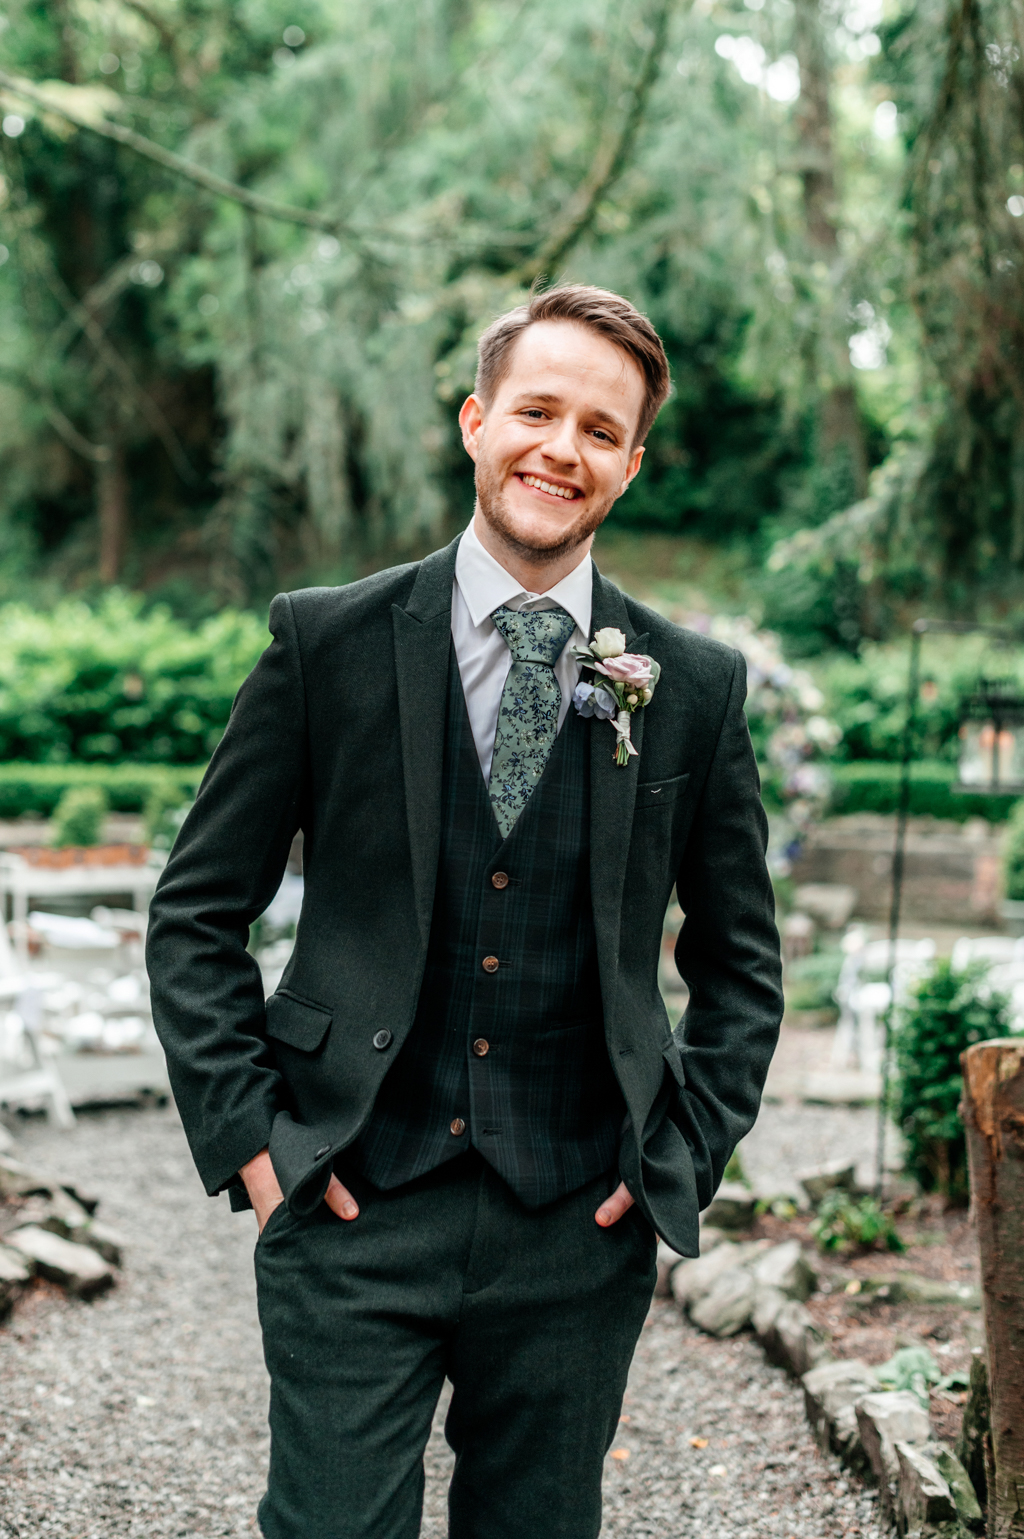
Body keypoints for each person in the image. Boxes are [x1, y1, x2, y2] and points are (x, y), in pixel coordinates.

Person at [146, 283, 783, 1539]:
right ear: (476, 421)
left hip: (575, 1227)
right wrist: (255, 1143)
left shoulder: (692, 687)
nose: (563, 447)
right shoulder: (325, 642)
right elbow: (195, 912)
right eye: (536, 410)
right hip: (350, 1199)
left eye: (601, 430)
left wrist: (679, 1155)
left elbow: (741, 961)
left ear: (632, 465)